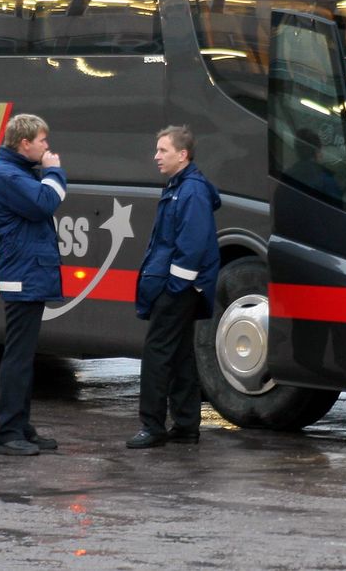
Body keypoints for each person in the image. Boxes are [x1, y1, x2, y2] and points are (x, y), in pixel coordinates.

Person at [127, 125, 221, 449]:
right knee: (180, 355)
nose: (156, 156)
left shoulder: (190, 191)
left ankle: (152, 427)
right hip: (180, 287)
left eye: (162, 150)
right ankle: (185, 425)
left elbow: (191, 246)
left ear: (182, 155)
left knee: (156, 353)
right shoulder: (180, 187)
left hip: (179, 289)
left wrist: (175, 286)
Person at [0, 113, 67, 457]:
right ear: (25, 143)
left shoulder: (14, 172)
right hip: (21, 274)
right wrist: (54, 171)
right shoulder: (6, 175)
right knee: (18, 356)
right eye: (43, 141)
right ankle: (8, 433)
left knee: (24, 355)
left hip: (26, 271)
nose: (48, 147)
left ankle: (21, 425)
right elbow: (46, 202)